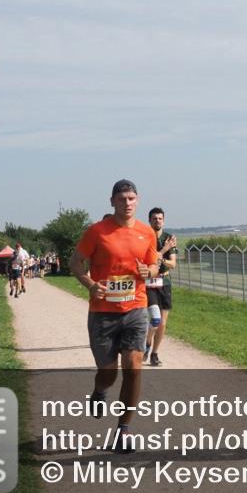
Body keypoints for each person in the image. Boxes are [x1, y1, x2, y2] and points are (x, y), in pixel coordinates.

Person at [70, 179, 158, 453]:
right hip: (103, 314)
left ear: (138, 200)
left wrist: (150, 272)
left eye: (131, 198)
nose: (127, 203)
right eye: (122, 199)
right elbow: (75, 262)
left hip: (135, 309)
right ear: (112, 201)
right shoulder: (97, 231)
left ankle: (123, 430)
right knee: (108, 373)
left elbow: (153, 264)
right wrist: (90, 284)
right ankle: (99, 391)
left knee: (133, 368)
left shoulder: (147, 233)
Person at [144, 207, 178, 366]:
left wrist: (161, 259)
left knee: (162, 323)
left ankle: (154, 353)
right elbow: (150, 258)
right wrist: (163, 250)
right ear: (149, 220)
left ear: (163, 220)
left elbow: (173, 264)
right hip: (150, 283)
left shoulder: (169, 237)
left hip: (164, 282)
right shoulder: (144, 237)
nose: (157, 221)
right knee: (155, 319)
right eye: (154, 218)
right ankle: (147, 342)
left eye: (160, 218)